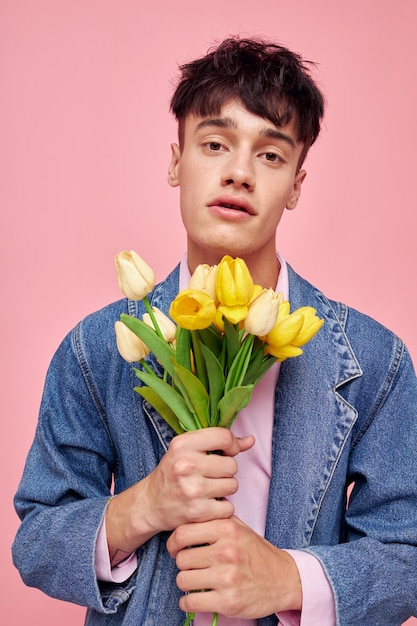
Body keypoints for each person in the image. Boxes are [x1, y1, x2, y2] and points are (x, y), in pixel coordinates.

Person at [13, 37, 417, 626]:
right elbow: (37, 538)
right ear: (176, 161)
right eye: (214, 144)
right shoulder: (96, 348)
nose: (238, 173)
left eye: (271, 156)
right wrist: (143, 505)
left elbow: (408, 553)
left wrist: (286, 580)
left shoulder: (376, 363)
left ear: (298, 184)